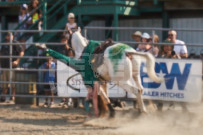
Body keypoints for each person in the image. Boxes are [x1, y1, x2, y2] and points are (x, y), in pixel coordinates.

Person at [0, 32, 24, 102]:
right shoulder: (3, 44)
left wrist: (17, 61)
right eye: (8, 36)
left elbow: (21, 52)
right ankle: (3, 96)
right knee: (4, 83)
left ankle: (13, 96)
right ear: (6, 37)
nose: (10, 37)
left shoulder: (16, 43)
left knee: (13, 82)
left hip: (13, 66)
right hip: (4, 66)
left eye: (11, 36)